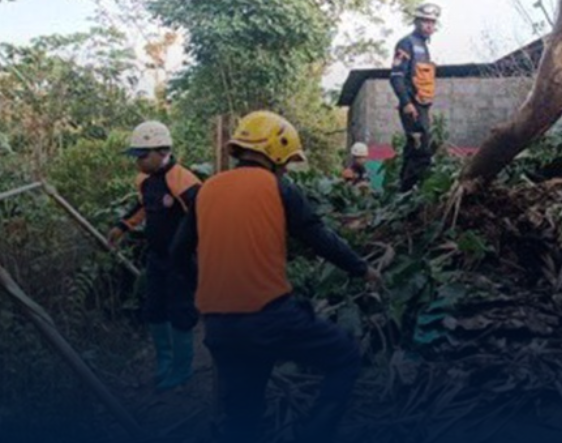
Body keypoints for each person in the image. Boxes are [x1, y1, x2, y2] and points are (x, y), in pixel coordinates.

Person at [171, 111, 382, 443]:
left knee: (244, 411)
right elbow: (319, 237)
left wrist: (205, 287)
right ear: (276, 150)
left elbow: (177, 254)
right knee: (344, 357)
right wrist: (362, 268)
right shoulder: (279, 188)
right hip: (269, 317)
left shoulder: (205, 191)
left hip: (219, 326)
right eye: (286, 161)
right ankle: (314, 434)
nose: (286, 168)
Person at [107, 121, 200, 390]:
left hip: (181, 259)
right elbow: (143, 207)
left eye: (142, 155)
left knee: (180, 309)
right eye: (136, 156)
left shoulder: (182, 180)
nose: (138, 162)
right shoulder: (147, 182)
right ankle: (164, 361)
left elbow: (204, 214)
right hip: (157, 256)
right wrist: (123, 226)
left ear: (162, 151)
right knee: (155, 307)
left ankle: (182, 367)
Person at [390, 3, 441, 192]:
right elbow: (396, 77)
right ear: (417, 21)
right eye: (425, 21)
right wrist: (406, 103)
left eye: (432, 22)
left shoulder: (424, 47)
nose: (429, 26)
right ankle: (415, 193)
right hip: (412, 106)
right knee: (422, 151)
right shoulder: (407, 43)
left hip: (422, 105)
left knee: (413, 150)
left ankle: (402, 193)